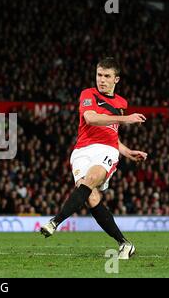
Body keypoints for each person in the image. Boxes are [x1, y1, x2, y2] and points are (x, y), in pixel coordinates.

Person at [40, 57, 148, 260]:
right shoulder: (88, 94)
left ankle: (54, 222)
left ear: (116, 79)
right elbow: (91, 118)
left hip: (106, 151)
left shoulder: (121, 103)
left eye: (107, 76)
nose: (102, 80)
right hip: (82, 151)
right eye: (99, 75)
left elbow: (112, 135)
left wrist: (126, 151)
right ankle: (125, 243)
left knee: (89, 181)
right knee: (91, 197)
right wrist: (126, 119)